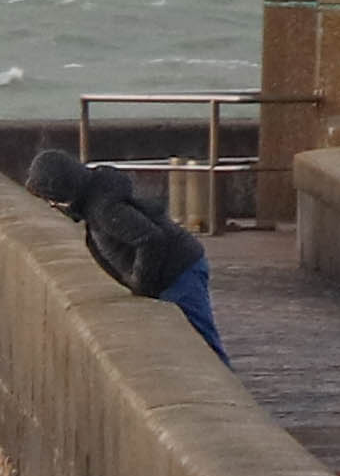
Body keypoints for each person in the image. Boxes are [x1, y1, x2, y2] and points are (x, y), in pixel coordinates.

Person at [21, 141, 224, 355]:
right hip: (179, 269)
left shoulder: (104, 210)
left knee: (202, 344)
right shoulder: (97, 197)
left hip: (178, 272)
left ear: (63, 191)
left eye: (51, 200)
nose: (53, 205)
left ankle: (225, 382)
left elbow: (150, 238)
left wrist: (141, 284)